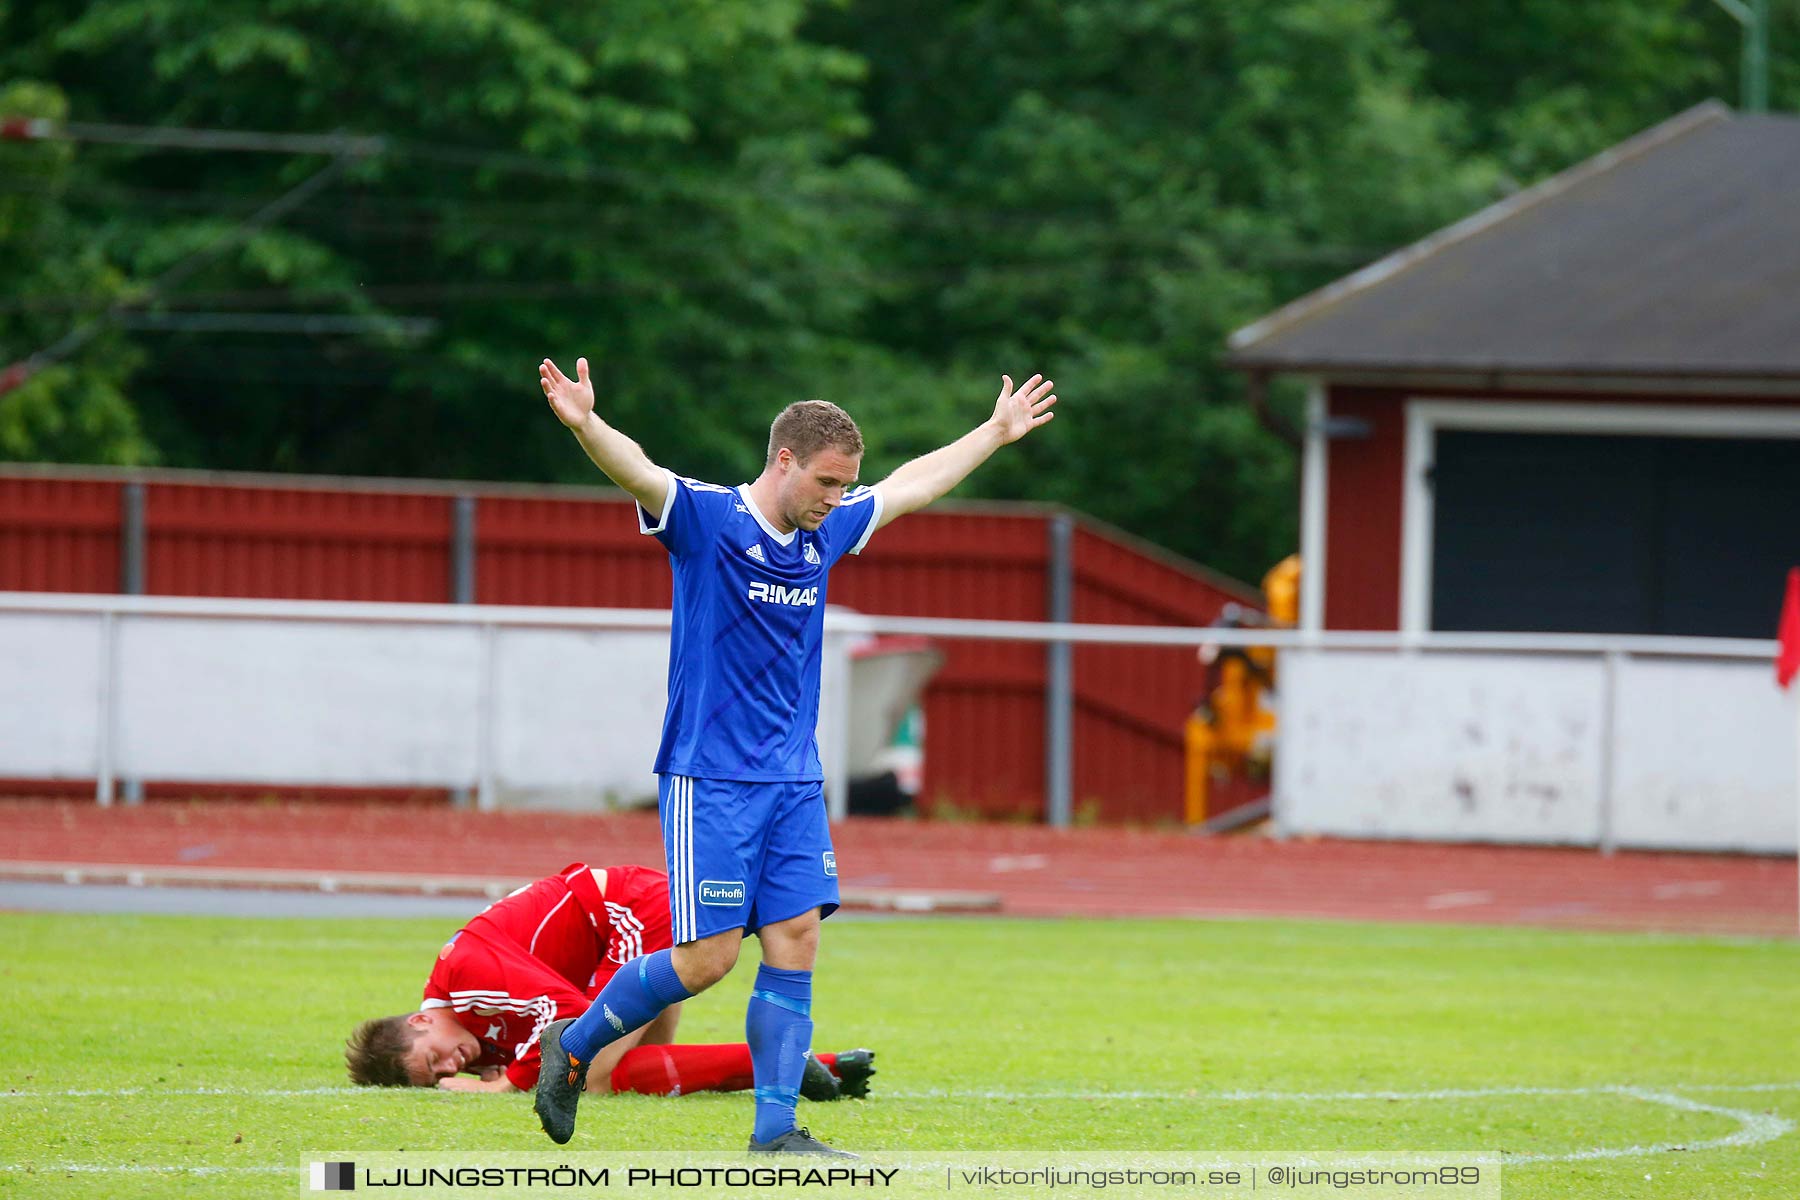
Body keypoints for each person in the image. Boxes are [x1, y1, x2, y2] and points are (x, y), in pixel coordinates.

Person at [533, 355, 1058, 1153]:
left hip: (793, 780)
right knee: (706, 959)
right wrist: (586, 425)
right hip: (711, 776)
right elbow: (638, 471)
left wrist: (992, 432)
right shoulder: (708, 520)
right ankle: (572, 1047)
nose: (837, 498)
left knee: (797, 937)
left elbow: (912, 485)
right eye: (825, 482)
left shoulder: (829, 529)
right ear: (784, 460)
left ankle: (776, 1131)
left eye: (845, 485)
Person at [343, 862, 873, 1102]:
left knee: (591, 1070)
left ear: (421, 1019)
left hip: (630, 912)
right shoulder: (472, 1027)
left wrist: (507, 1083)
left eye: (435, 1058)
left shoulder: (464, 976)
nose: (452, 1066)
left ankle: (786, 1065)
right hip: (627, 927)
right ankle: (816, 1068)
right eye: (438, 1078)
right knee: (628, 1073)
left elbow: (571, 1012)